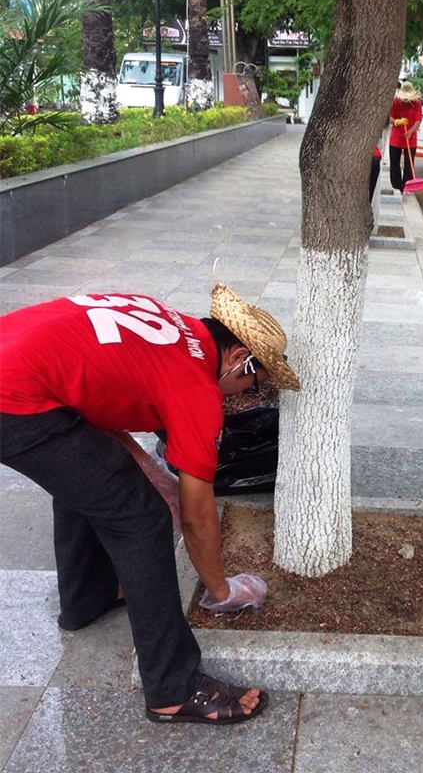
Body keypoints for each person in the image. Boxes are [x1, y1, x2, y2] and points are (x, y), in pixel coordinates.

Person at [0, 283, 301, 725]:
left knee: (89, 479)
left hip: (16, 361)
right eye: (248, 384)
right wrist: (222, 591)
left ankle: (87, 598)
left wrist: (153, 473)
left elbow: (92, 415)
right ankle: (173, 688)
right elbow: (197, 515)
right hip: (12, 398)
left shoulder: (167, 322)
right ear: (238, 357)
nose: (240, 398)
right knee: (140, 518)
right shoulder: (196, 390)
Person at [388, 80, 423, 192]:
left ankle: (407, 186)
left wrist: (411, 131)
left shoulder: (416, 103)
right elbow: (389, 117)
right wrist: (397, 121)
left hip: (410, 139)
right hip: (396, 138)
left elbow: (418, 120)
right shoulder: (395, 102)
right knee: (395, 163)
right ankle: (397, 185)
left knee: (409, 164)